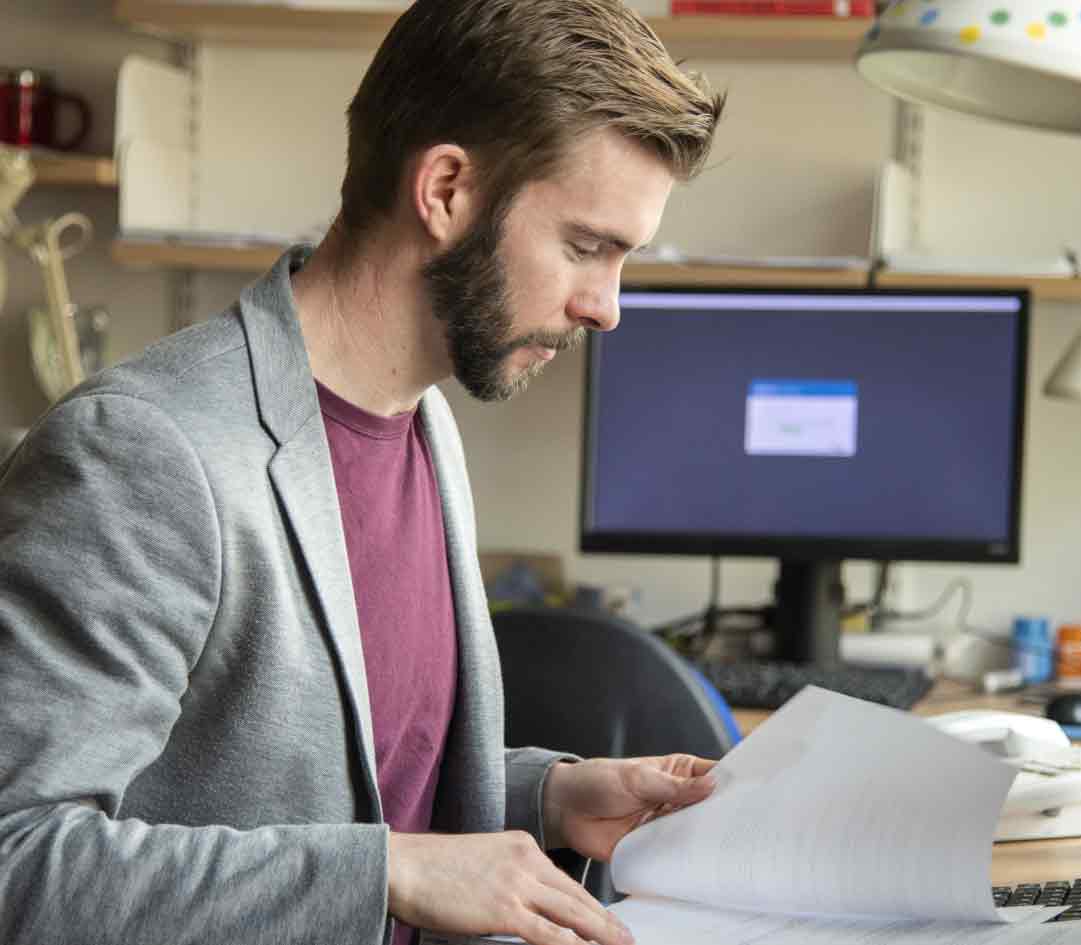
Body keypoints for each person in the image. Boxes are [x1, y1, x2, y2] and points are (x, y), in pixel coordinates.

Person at [0, 2, 726, 944]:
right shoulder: (143, 451)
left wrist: (549, 794)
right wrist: (392, 871)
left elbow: (342, 773)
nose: (606, 307)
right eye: (587, 247)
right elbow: (19, 856)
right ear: (447, 189)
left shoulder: (425, 420)